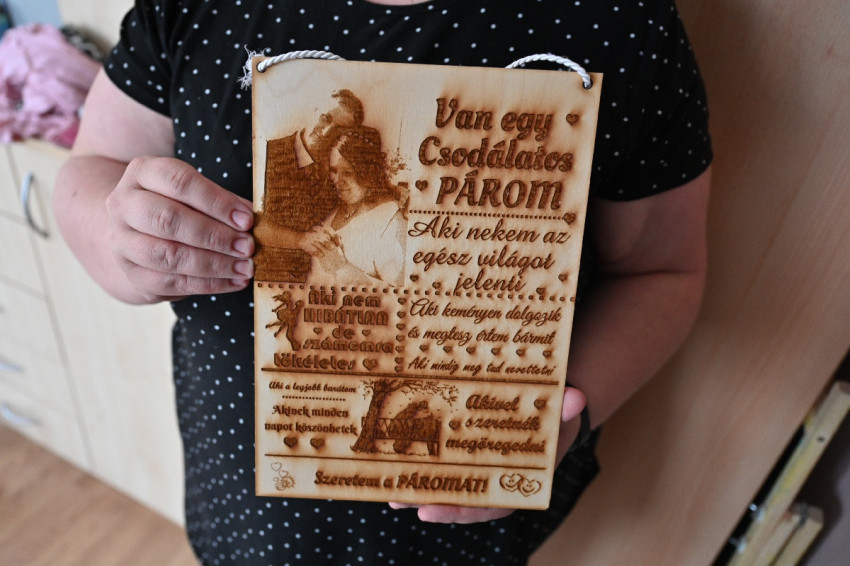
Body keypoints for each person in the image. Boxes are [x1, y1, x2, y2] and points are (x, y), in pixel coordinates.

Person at [53, 0, 712, 564]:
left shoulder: (616, 20)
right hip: (242, 490)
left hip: (460, 519)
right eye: (328, 160)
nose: (335, 173)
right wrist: (119, 234)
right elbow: (93, 167)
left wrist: (560, 423)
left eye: (348, 165)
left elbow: (660, 270)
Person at [253, 89, 364, 282]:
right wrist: (301, 240)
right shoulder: (268, 153)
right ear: (313, 109)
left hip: (306, 286)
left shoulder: (334, 174)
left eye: (338, 130)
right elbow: (253, 222)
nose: (327, 132)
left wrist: (395, 191)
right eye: (325, 119)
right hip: (264, 279)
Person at [298, 126, 407, 287]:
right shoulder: (330, 207)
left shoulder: (389, 219)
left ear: (367, 173)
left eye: (347, 173)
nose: (337, 181)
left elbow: (398, 295)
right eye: (334, 171)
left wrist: (341, 268)